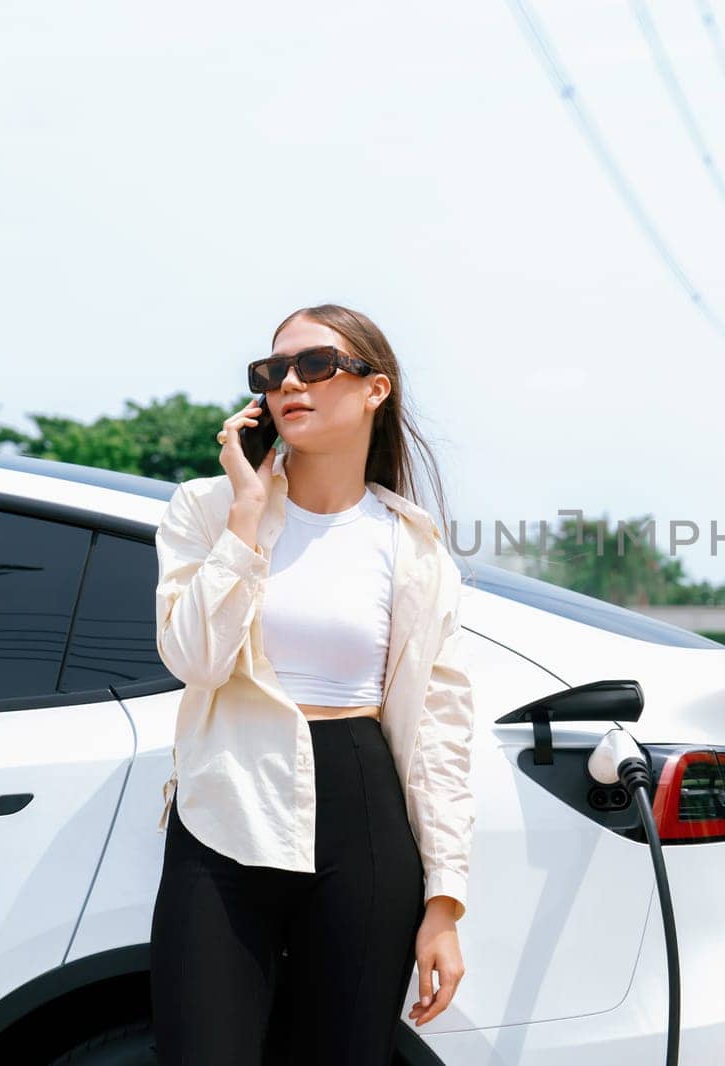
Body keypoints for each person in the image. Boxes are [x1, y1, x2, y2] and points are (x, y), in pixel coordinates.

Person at [148, 304, 475, 1065]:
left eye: (315, 365)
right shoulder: (206, 508)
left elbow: (439, 732)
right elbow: (194, 659)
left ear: (374, 389)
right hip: (226, 807)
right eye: (271, 372)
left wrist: (445, 902)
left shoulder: (414, 546)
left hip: (361, 811)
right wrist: (247, 510)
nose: (288, 383)